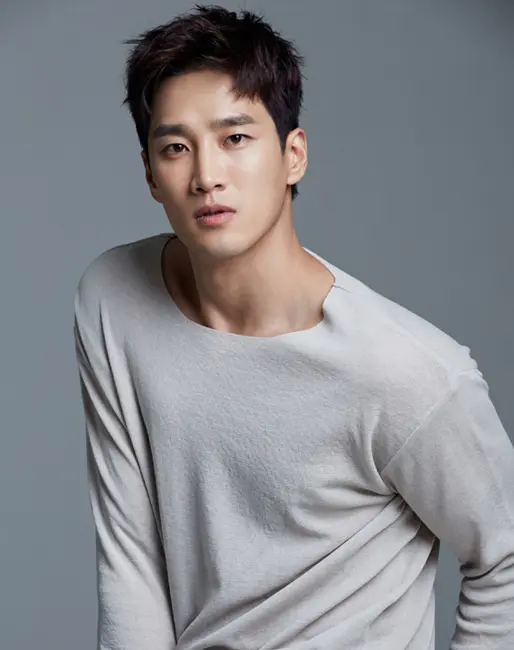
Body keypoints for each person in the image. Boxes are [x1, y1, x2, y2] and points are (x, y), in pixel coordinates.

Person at [73, 5, 514, 649]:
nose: (206, 176)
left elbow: (504, 557)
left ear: (293, 155)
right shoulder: (113, 299)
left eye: (235, 138)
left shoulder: (406, 372)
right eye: (176, 148)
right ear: (150, 176)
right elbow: (129, 561)